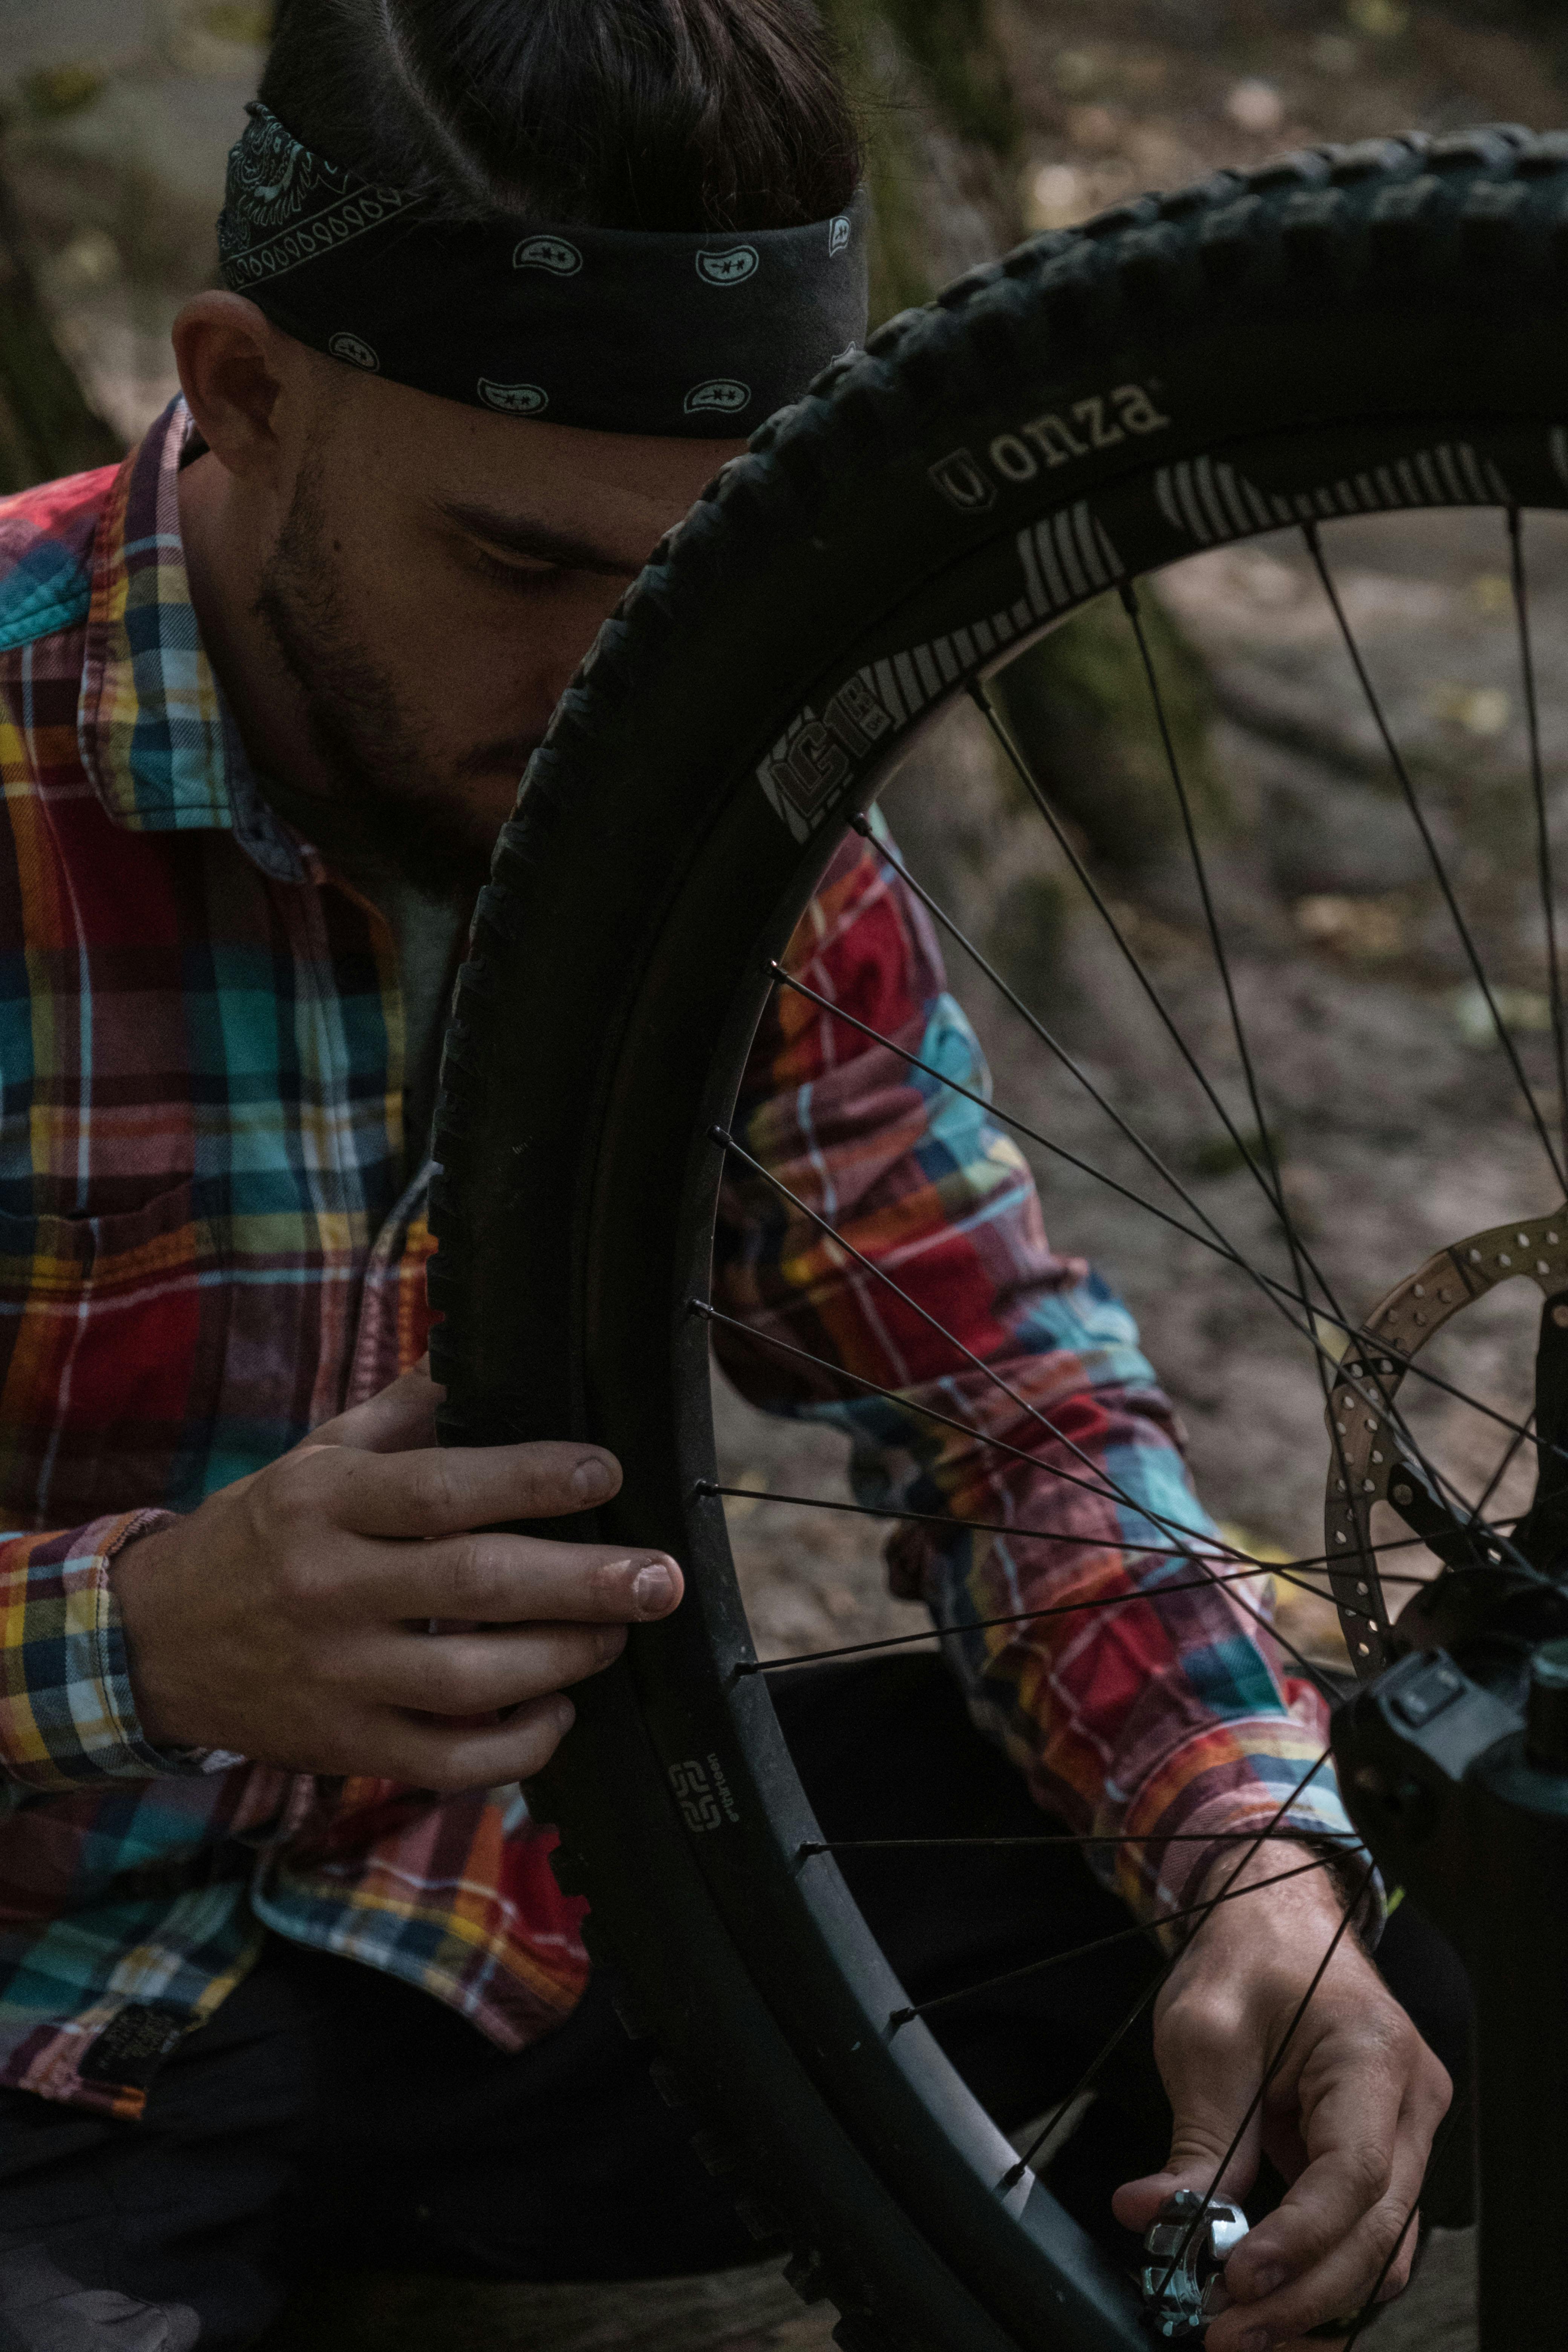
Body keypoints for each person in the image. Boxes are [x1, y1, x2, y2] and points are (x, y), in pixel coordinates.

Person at [0, 3, 1456, 2347]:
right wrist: (142, 1634)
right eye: (518, 562)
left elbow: (1005, 1397)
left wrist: (1253, 1866)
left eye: (696, 585)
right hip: (40, 2018)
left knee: (1414, 1916)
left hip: (491, 1928)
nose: (621, 689)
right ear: (244, 386)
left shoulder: (715, 761)